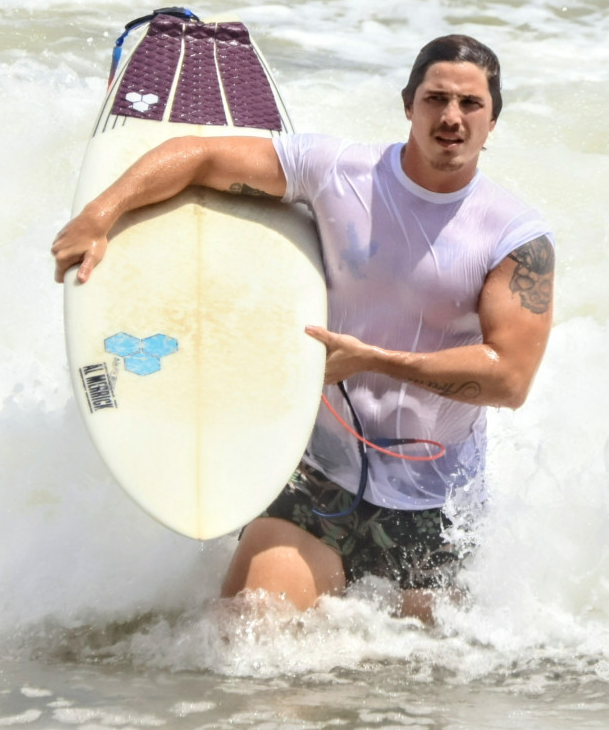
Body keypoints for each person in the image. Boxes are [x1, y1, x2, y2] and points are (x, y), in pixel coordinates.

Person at [50, 34, 554, 621]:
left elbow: (510, 379)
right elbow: (199, 156)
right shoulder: (339, 173)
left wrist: (371, 360)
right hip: (319, 472)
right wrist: (99, 215)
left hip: (435, 499)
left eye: (471, 105)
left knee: (421, 688)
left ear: (493, 121)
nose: (451, 118)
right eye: (435, 98)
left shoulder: (513, 236)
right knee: (250, 635)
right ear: (407, 104)